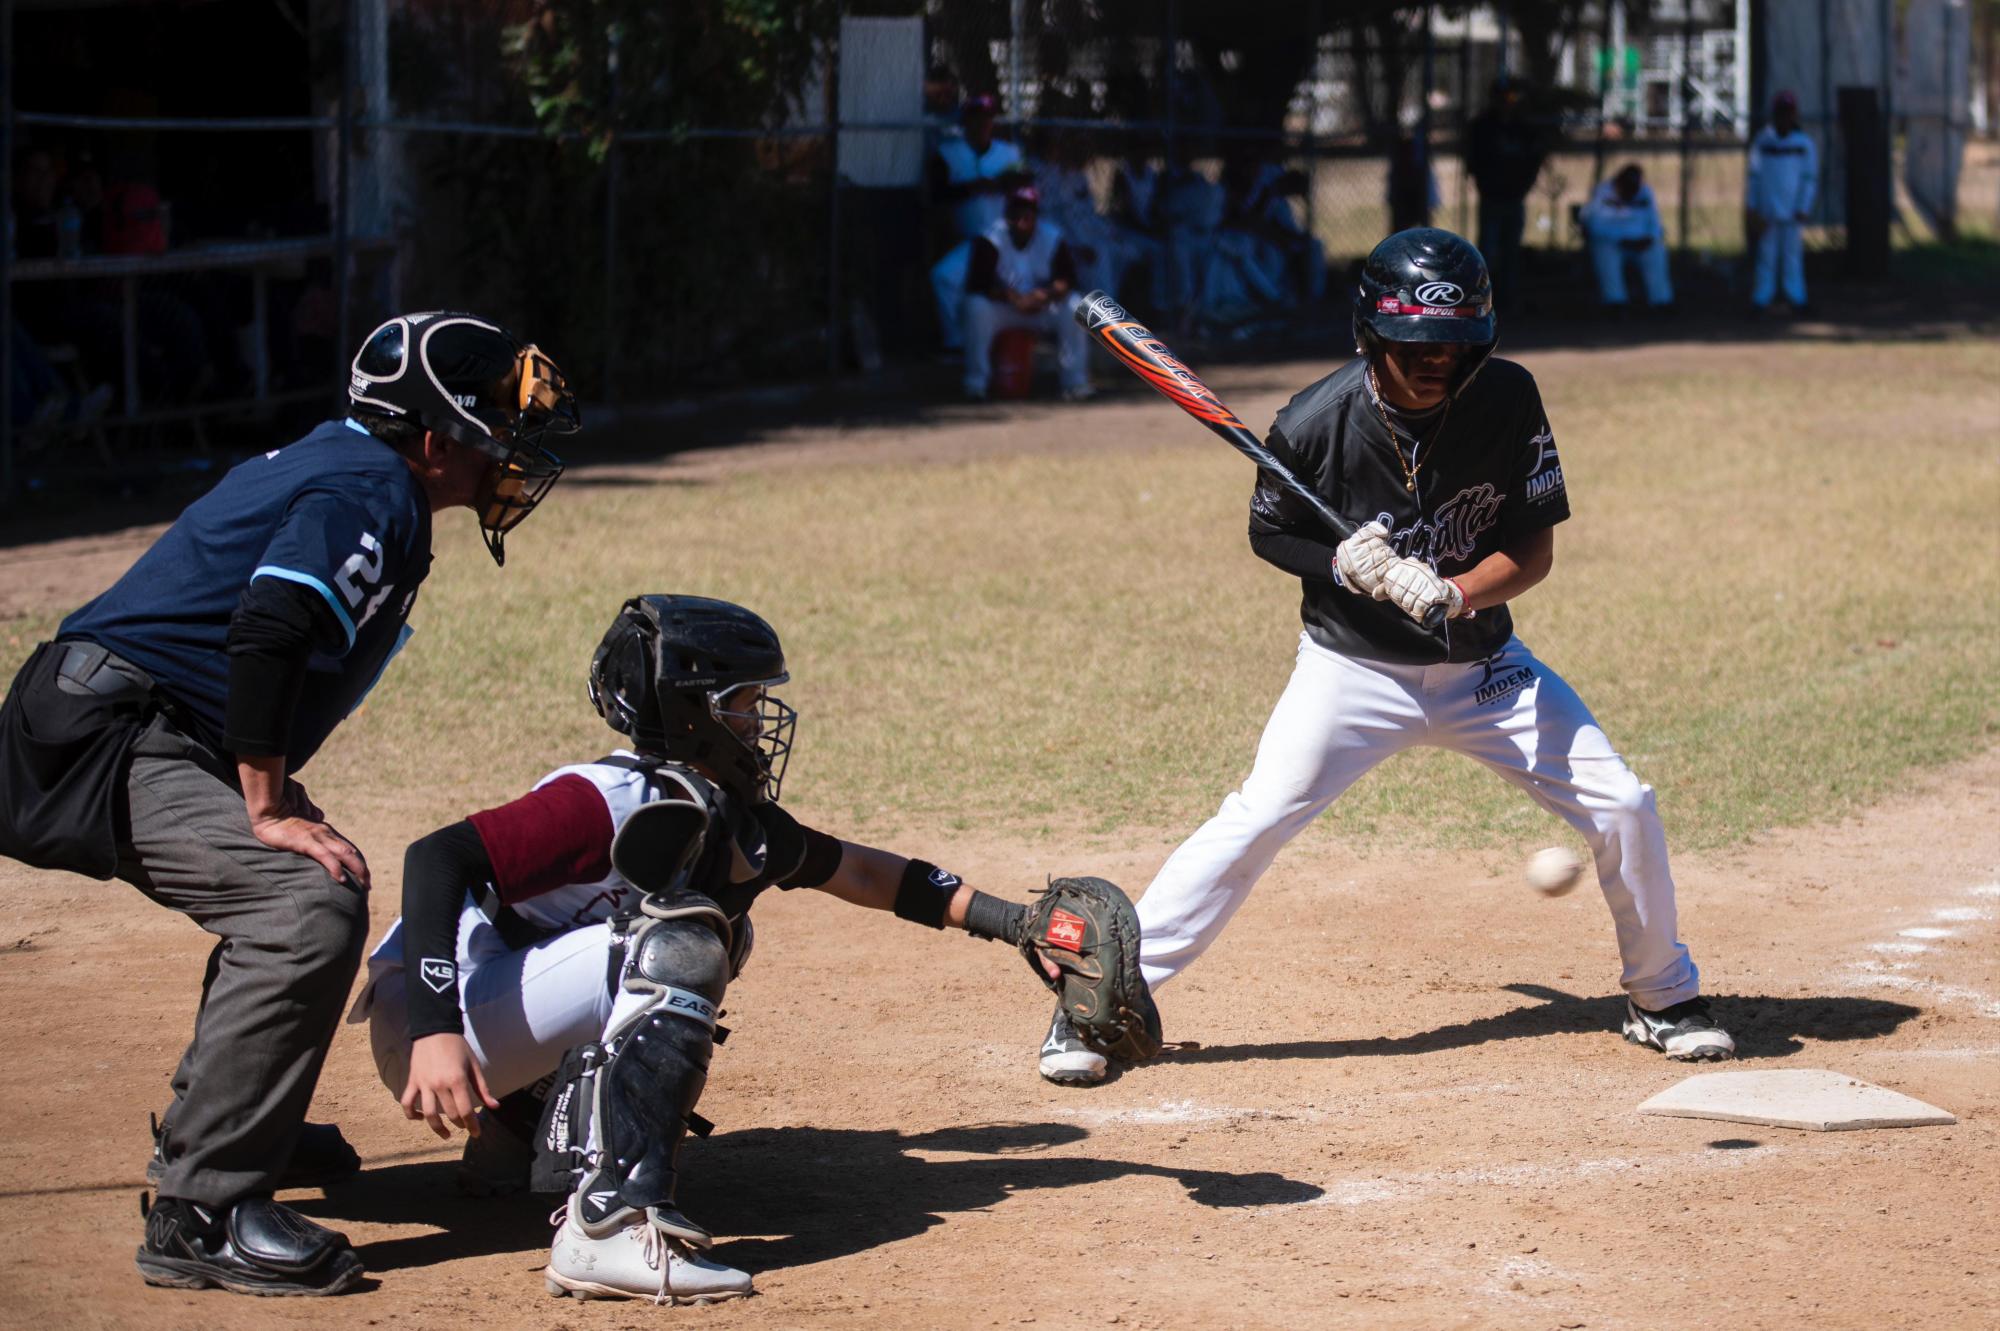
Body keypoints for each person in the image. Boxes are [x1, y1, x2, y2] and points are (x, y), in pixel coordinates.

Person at [1029, 228, 1734, 1086]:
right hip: (1351, 671)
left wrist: (1454, 593)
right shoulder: (1314, 422)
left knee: (1624, 802)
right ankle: (1096, 1008)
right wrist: (1338, 564)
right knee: (1252, 823)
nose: (1438, 363)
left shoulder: (1508, 398)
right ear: (1372, 338)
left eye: (1455, 345)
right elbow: (1268, 530)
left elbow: (1532, 551)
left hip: (1484, 671)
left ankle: (1663, 995)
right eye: (1417, 347)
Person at [0, 311, 578, 1296]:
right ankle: (201, 1209)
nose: (510, 459)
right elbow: (270, 625)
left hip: (131, 717)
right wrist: (263, 805)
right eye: (494, 436)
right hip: (103, 735)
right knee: (302, 898)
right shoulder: (372, 487)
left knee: (306, 879)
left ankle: (231, 1114)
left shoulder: (358, 469)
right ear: (434, 441)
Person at [354, 595, 1120, 1302]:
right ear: (691, 712)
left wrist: (1014, 922)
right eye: (745, 703)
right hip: (433, 1018)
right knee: (676, 942)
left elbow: (861, 870)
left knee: (718, 928)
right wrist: (435, 1030)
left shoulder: (722, 814)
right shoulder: (609, 798)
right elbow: (437, 859)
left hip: (494, 1010)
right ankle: (610, 1225)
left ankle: (510, 1144)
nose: (760, 722)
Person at [961, 184, 1092, 401]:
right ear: (1007, 215)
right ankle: (976, 385)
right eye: (1017, 212)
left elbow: (1067, 280)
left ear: (1036, 214)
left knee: (1076, 306)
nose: (1022, 218)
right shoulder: (990, 238)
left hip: (1041, 307)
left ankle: (1075, 383)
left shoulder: (1051, 237)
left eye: (1028, 212)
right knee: (976, 306)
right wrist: (1013, 298)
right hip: (1005, 308)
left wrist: (1045, 295)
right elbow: (978, 284)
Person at [928, 93, 1028, 350]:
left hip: (1006, 241)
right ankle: (956, 343)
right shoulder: (949, 153)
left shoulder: (1008, 152)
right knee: (943, 277)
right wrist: (970, 188)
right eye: (976, 117)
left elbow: (1026, 186)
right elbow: (936, 193)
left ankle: (1025, 344)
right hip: (973, 241)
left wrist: (1001, 183)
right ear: (966, 121)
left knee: (1024, 288)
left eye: (987, 117)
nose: (983, 123)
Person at [1465, 79, 1551, 313]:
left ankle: (1509, 298)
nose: (1508, 104)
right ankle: (1483, 299)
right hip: (1492, 196)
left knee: (1511, 250)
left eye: (1512, 99)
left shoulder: (1523, 129)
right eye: (1504, 98)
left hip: (1515, 197)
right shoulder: (1483, 127)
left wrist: (1524, 184)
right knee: (1488, 248)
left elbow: (1534, 159)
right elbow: (1473, 161)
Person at [1745, 90, 1817, 315]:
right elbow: (1754, 177)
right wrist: (1752, 207)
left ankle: (1796, 298)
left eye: (1788, 113)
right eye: (1780, 113)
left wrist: (1804, 207)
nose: (1785, 118)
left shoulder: (1803, 143)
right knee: (1766, 257)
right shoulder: (1763, 141)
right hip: (1768, 212)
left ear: (1794, 115)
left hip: (1793, 212)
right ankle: (1761, 298)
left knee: (1792, 258)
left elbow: (1809, 178)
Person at [1582, 162, 1673, 310]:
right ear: (1618, 183)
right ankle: (1615, 302)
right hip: (1613, 243)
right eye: (1627, 189)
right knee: (1604, 251)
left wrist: (1650, 237)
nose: (1631, 194)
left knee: (1656, 249)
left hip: (1640, 243)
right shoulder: (1602, 192)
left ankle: (1661, 301)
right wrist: (1620, 239)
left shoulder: (1645, 192)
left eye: (1634, 189)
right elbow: (1594, 226)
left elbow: (1655, 221)